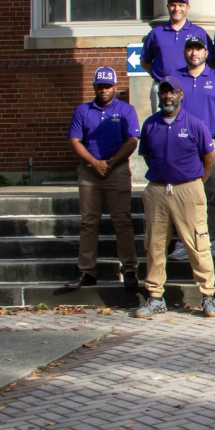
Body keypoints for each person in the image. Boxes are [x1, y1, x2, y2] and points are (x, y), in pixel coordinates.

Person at [135, 76, 215, 318]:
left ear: (181, 95)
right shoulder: (150, 124)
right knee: (154, 244)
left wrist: (195, 182)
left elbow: (209, 158)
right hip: (158, 190)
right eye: (164, 92)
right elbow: (148, 157)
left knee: (197, 242)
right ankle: (154, 297)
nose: (168, 96)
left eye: (172, 92)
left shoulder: (194, 123)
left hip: (188, 189)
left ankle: (208, 297)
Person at [65, 66, 139, 292]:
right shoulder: (83, 110)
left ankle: (129, 270)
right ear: (94, 87)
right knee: (88, 222)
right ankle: (86, 271)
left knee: (122, 221)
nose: (103, 90)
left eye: (107, 86)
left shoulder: (126, 109)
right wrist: (95, 163)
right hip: (89, 170)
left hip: (116, 169)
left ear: (115, 87)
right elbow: (75, 140)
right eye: (100, 86)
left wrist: (110, 163)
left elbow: (132, 140)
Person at [172, 37, 215, 263]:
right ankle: (183, 242)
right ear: (185, 52)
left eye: (199, 49)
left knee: (211, 194)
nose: (194, 53)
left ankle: (212, 241)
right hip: (182, 143)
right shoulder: (174, 79)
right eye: (190, 49)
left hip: (211, 142)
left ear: (206, 52)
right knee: (181, 195)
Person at [139, 0, 211, 110]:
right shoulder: (155, 33)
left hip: (190, 86)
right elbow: (144, 61)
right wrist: (159, 75)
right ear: (168, 7)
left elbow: (211, 61)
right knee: (162, 125)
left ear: (188, 7)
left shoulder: (199, 32)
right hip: (163, 88)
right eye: (173, 5)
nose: (176, 9)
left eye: (181, 5)